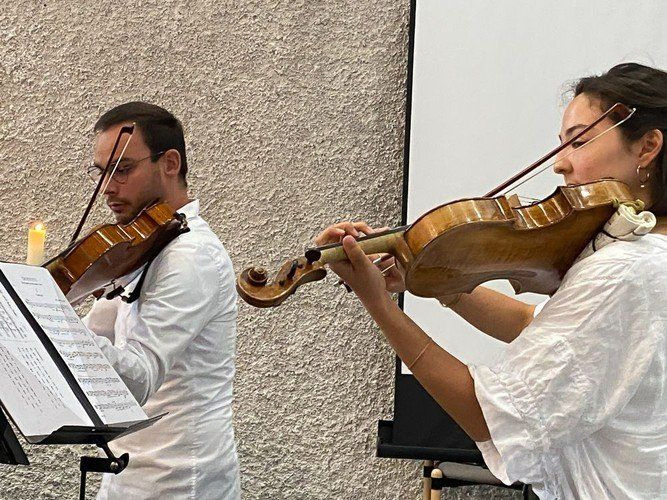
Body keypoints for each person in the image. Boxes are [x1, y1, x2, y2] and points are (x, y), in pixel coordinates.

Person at [313, 63, 667, 499]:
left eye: (578, 141)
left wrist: (379, 306)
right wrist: (444, 284)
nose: (560, 164)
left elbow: (492, 417)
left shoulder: (623, 270)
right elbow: (530, 323)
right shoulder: (650, 255)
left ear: (647, 147)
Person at [82, 102, 240, 499]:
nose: (107, 188)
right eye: (102, 172)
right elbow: (92, 338)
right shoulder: (144, 246)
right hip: (127, 472)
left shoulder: (191, 255)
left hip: (179, 479)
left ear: (170, 163)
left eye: (122, 169)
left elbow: (137, 379)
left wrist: (54, 327)